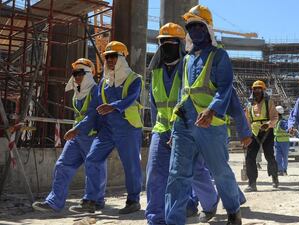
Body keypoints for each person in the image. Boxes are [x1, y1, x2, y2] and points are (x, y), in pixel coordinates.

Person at [164, 5, 242, 225]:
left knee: (220, 172)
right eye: (190, 27)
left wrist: (212, 110)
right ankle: (173, 221)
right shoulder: (187, 60)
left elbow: (225, 88)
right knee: (177, 174)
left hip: (210, 124)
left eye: (198, 26)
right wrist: (174, 126)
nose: (194, 30)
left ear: (208, 28)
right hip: (184, 123)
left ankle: (233, 211)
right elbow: (184, 92)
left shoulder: (219, 56)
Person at [146, 22, 219, 224]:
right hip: (161, 129)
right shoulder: (156, 72)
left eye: (171, 42)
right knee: (155, 174)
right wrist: (155, 128)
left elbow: (189, 100)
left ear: (180, 43)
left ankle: (210, 202)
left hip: (186, 128)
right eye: (163, 43)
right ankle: (156, 219)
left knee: (194, 171)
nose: (166, 46)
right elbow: (154, 104)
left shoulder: (190, 66)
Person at [66, 41, 143, 214]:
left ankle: (133, 200)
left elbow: (131, 98)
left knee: (131, 165)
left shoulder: (134, 79)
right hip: (108, 129)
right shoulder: (103, 84)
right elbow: (93, 112)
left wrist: (113, 106)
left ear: (122, 58)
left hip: (128, 127)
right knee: (92, 158)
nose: (109, 60)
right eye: (107, 57)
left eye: (113, 56)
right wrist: (78, 128)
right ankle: (92, 201)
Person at [32, 58, 106, 212]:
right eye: (74, 73)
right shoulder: (77, 94)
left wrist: (76, 129)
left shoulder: (96, 91)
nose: (76, 76)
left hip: (91, 136)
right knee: (62, 165)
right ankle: (54, 202)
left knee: (94, 168)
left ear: (88, 74)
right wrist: (77, 131)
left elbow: (93, 114)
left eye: (80, 73)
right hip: (78, 136)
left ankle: (93, 202)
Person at [244, 80, 279, 192]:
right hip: (253, 133)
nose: (257, 91)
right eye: (255, 89)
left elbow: (275, 117)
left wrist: (268, 124)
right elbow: (247, 120)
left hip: (267, 132)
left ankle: (274, 177)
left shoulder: (269, 102)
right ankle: (252, 183)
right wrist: (245, 135)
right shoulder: (249, 104)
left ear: (263, 91)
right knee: (249, 158)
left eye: (259, 89)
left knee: (269, 156)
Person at [274, 105, 290, 176]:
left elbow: (287, 128)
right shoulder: (276, 122)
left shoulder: (283, 122)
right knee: (278, 156)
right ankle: (280, 170)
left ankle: (284, 170)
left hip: (284, 142)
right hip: (277, 141)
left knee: (284, 156)